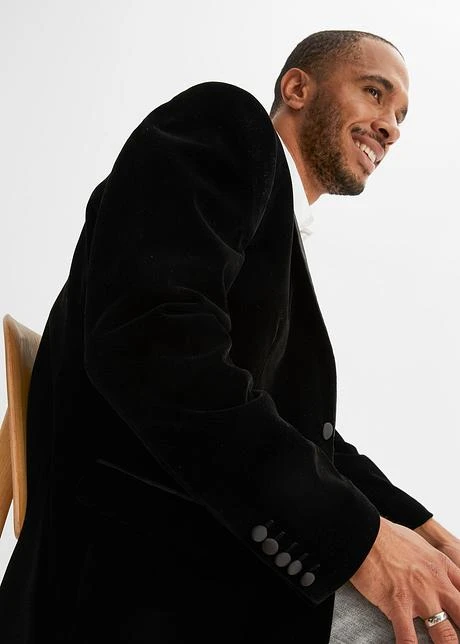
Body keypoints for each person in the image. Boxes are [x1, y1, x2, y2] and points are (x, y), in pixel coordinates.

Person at [0, 29, 459, 644]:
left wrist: (425, 530)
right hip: (145, 577)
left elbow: (300, 433)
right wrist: (360, 541)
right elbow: (154, 349)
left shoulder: (274, 233)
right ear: (297, 88)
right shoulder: (225, 127)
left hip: (204, 556)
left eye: (401, 116)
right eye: (375, 93)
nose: (391, 127)